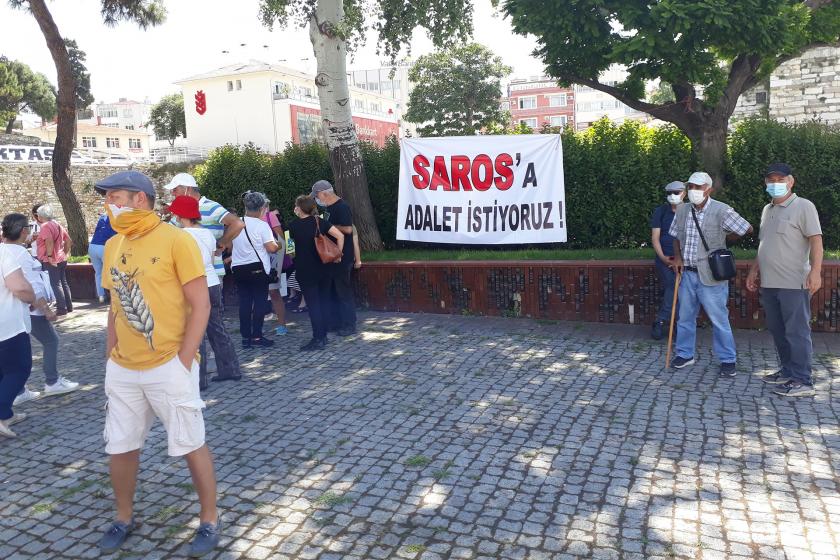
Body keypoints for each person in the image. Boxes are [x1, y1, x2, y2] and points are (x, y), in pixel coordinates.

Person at [94, 171, 219, 556]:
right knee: (121, 445)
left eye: (116, 196)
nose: (110, 204)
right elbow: (115, 307)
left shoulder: (176, 240)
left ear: (141, 200)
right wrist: (110, 356)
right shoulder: (114, 244)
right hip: (124, 368)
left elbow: (201, 304)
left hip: (169, 363)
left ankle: (210, 519)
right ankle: (123, 516)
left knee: (189, 442)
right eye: (108, 197)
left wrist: (184, 361)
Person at [747, 163, 824, 398]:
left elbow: (816, 241)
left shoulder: (803, 206)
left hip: (794, 282)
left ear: (791, 182)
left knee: (797, 332)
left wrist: (816, 272)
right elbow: (764, 245)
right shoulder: (767, 209)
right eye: (771, 180)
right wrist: (753, 271)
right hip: (770, 283)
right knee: (779, 331)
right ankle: (788, 371)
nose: (775, 184)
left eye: (780, 180)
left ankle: (803, 379)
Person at [669, 172, 752, 378]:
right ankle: (685, 354)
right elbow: (676, 236)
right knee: (684, 317)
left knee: (719, 319)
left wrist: (724, 239)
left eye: (698, 187)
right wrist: (677, 258)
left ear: (709, 189)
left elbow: (747, 229)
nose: (693, 191)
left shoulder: (722, 210)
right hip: (687, 273)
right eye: (691, 187)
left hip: (711, 276)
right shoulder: (682, 210)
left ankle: (727, 359)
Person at [4, 215, 79, 404]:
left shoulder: (4, 250)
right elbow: (31, 286)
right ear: (24, 231)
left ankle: (19, 390)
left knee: (14, 352)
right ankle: (51, 382)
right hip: (27, 308)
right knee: (51, 341)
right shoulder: (20, 254)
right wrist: (45, 309)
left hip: (13, 310)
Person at [169, 195, 242, 389]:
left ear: (181, 215)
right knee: (217, 326)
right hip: (212, 283)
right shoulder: (208, 234)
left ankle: (198, 379)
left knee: (195, 332)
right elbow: (210, 257)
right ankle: (230, 369)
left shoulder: (180, 236)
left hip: (193, 284)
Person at [163, 173, 245, 283]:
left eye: (175, 189)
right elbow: (168, 231)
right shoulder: (183, 207)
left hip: (209, 273)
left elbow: (238, 223)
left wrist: (222, 243)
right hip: (194, 272)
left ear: (188, 189)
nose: (172, 193)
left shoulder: (211, 206)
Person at [288, 195, 345, 351]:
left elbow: (290, 250)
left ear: (298, 208)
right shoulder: (320, 221)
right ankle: (323, 334)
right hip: (324, 268)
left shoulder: (292, 226)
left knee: (313, 305)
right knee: (324, 301)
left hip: (305, 270)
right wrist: (338, 254)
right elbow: (340, 235)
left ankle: (318, 338)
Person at [0, 213, 37, 438]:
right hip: (8, 324)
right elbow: (20, 288)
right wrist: (32, 296)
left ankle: (7, 412)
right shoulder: (5, 253)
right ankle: (2, 413)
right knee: (18, 369)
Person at [231, 192, 279, 349]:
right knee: (259, 302)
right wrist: (279, 245)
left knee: (244, 303)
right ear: (262, 208)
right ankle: (257, 336)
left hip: (238, 268)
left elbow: (231, 245)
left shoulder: (235, 223)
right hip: (257, 269)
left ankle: (246, 338)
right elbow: (271, 248)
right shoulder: (261, 225)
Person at [311, 180, 356, 336]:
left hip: (343, 256)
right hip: (333, 255)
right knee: (334, 291)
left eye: (317, 196)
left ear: (324, 193)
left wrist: (328, 226)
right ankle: (337, 322)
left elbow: (349, 229)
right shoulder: (330, 208)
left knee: (343, 291)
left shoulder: (342, 207)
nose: (317, 199)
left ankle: (349, 325)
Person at [650, 181, 685, 340]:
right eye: (669, 193)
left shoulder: (689, 211)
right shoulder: (661, 212)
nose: (672, 196)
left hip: (685, 259)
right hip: (665, 258)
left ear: (684, 193)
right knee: (673, 286)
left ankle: (662, 321)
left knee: (680, 291)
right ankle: (674, 324)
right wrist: (663, 258)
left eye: (676, 192)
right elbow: (655, 238)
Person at [35, 204, 73, 316]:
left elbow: (49, 241)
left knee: (55, 284)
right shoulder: (57, 224)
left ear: (41, 216)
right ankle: (68, 306)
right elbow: (69, 241)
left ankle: (62, 308)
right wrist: (64, 253)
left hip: (51, 259)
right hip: (61, 258)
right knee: (63, 282)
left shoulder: (45, 226)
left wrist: (51, 256)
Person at [263, 205, 288, 336]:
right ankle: (258, 325)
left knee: (274, 292)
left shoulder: (270, 216)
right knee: (257, 293)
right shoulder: (246, 218)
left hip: (272, 258)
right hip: (255, 259)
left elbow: (281, 239)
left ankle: (282, 324)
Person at [89, 211, 117, 304]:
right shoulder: (114, 220)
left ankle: (101, 296)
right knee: (110, 271)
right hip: (104, 247)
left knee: (98, 273)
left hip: (92, 246)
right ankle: (114, 295)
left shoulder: (102, 218)